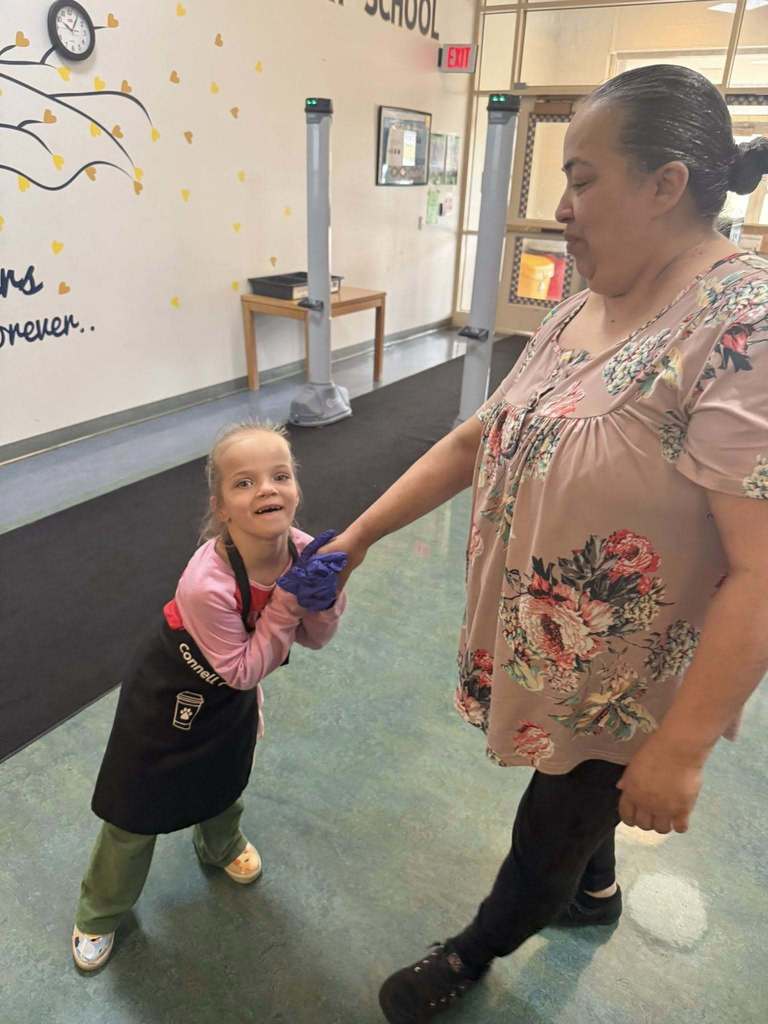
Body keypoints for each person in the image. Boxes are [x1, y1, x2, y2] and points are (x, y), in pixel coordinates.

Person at [323, 65, 768, 1023]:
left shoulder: (744, 325)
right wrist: (358, 536)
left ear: (667, 184)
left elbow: (763, 570)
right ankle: (595, 891)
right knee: (567, 791)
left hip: (635, 683)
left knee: (548, 830)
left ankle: (474, 951)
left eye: (583, 178)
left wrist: (681, 750)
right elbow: (476, 436)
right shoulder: (587, 297)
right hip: (558, 658)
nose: (561, 209)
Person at [71, 421, 347, 971]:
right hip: (173, 685)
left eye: (280, 475)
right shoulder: (207, 582)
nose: (267, 489)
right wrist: (291, 604)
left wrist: (328, 598)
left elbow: (314, 639)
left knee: (224, 774)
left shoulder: (300, 550)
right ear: (221, 507)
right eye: (244, 483)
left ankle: (219, 845)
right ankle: (99, 911)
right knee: (134, 807)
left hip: (228, 692)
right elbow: (244, 669)